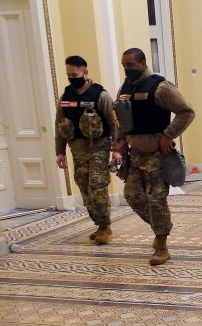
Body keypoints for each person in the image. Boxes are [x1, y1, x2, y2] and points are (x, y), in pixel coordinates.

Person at [113, 48, 194, 265]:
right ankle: (162, 227)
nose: (126, 69)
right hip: (135, 154)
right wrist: (119, 142)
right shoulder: (125, 87)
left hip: (157, 155)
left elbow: (186, 112)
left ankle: (161, 244)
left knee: (156, 199)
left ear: (142, 63)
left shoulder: (161, 87)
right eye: (124, 65)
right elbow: (121, 118)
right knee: (131, 196)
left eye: (130, 65)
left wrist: (168, 135)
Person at [55, 56, 118, 245]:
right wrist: (59, 152)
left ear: (85, 72)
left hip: (99, 149)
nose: (71, 78)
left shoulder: (101, 95)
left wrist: (116, 149)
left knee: (98, 187)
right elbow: (59, 126)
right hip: (77, 151)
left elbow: (113, 125)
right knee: (84, 187)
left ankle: (105, 226)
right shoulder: (65, 98)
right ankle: (99, 224)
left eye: (74, 74)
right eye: (68, 74)